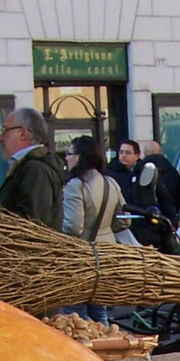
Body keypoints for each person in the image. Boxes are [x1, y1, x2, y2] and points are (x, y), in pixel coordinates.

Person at [61, 135, 125, 323]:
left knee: (75, 312)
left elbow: (73, 226)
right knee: (100, 312)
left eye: (69, 154)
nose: (66, 158)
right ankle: (106, 348)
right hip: (108, 253)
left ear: (79, 157)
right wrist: (105, 228)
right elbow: (123, 221)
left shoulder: (76, 185)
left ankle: (83, 350)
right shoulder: (111, 183)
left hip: (82, 257)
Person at [0, 107, 64, 229]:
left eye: (5, 130)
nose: (0, 138)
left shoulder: (35, 169)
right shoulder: (29, 166)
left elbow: (33, 226)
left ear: (23, 134)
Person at [109, 139, 178, 247]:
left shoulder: (146, 171)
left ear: (137, 155)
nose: (123, 156)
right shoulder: (111, 173)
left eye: (127, 152)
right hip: (124, 229)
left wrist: (172, 221)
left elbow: (164, 198)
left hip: (147, 228)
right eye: (121, 152)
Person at [143, 140, 180, 220]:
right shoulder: (172, 171)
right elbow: (179, 195)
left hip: (147, 216)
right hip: (169, 216)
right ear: (160, 151)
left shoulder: (141, 171)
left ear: (145, 153)